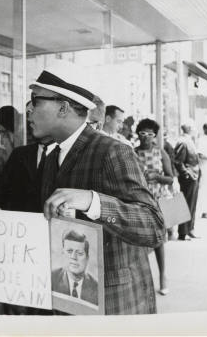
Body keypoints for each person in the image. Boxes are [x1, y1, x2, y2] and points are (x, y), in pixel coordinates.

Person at [29, 66, 165, 315]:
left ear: (63, 108)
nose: (29, 109)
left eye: (35, 101)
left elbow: (153, 226)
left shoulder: (112, 151)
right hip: (70, 302)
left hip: (114, 306)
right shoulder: (52, 158)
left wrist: (93, 202)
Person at [0, 101, 56, 315]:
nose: (30, 121)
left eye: (35, 113)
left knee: (48, 309)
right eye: (27, 116)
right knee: (15, 305)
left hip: (53, 244)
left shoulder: (70, 155)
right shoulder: (20, 154)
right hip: (18, 243)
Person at [134, 118, 174, 296]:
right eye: (143, 134)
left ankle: (163, 276)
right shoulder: (133, 153)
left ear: (155, 136)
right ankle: (142, 280)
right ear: (138, 135)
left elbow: (171, 178)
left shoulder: (161, 153)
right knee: (138, 240)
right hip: (139, 200)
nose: (146, 138)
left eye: (150, 134)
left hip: (157, 200)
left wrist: (157, 177)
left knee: (158, 240)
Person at [51, 229, 98, 305]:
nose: (73, 257)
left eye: (79, 253)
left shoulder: (97, 288)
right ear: (63, 254)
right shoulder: (51, 279)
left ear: (87, 259)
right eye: (69, 251)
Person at [174, 123, 200, 240]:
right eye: (194, 128)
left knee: (191, 204)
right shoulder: (184, 142)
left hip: (192, 175)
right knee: (187, 204)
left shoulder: (186, 141)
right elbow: (178, 162)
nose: (195, 130)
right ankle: (184, 231)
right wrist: (186, 174)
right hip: (189, 177)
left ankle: (188, 229)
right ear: (189, 129)